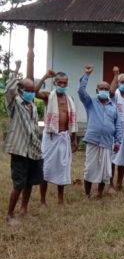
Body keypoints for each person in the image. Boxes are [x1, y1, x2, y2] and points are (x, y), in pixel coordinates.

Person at [4, 60, 44, 224]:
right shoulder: (14, 104)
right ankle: (10, 215)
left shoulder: (33, 106)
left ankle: (24, 210)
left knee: (30, 181)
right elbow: (9, 90)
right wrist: (16, 70)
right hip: (19, 149)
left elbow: (34, 127)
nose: (31, 93)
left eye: (33, 91)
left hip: (33, 149)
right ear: (20, 91)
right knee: (19, 183)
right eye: (28, 91)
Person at [78, 65, 122, 199]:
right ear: (97, 90)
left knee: (105, 170)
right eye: (101, 89)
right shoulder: (90, 102)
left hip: (108, 142)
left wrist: (118, 141)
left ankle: (99, 193)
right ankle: (87, 194)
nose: (104, 90)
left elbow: (118, 125)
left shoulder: (113, 107)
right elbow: (81, 91)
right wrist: (86, 75)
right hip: (93, 140)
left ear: (109, 91)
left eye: (106, 89)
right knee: (90, 168)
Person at [35, 69, 78, 205]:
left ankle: (60, 199)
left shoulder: (69, 99)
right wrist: (45, 76)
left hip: (64, 136)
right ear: (55, 83)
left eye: (64, 83)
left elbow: (72, 121)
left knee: (63, 168)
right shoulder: (49, 96)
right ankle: (43, 200)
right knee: (45, 168)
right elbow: (35, 92)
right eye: (59, 83)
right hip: (51, 137)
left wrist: (74, 139)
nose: (62, 85)